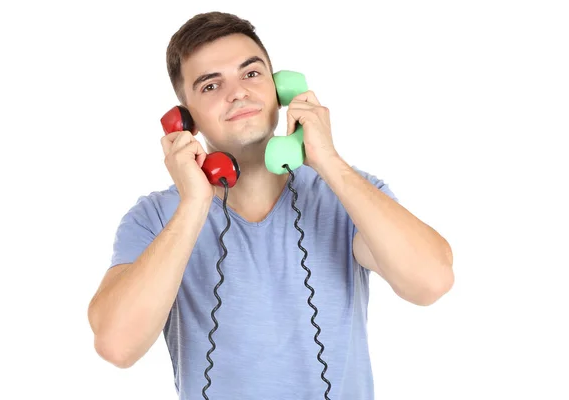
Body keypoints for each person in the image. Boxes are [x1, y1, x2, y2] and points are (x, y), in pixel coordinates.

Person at [87, 11, 454, 400]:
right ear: (185, 119)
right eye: (211, 85)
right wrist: (195, 202)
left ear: (280, 89)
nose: (238, 93)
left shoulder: (346, 194)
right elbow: (117, 345)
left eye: (251, 74)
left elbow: (431, 281)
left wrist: (328, 161)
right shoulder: (156, 218)